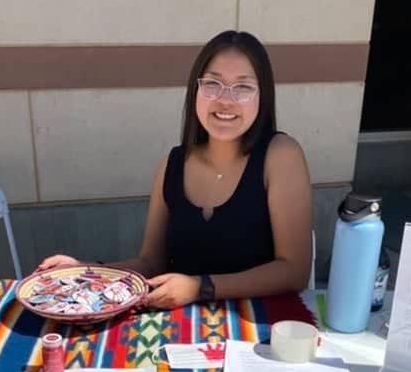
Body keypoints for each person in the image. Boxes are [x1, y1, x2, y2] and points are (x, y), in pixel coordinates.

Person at [37, 30, 313, 309]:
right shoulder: (172, 164)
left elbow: (294, 271)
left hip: (257, 334)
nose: (225, 100)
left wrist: (200, 287)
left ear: (262, 97)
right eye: (213, 84)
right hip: (177, 332)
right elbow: (151, 263)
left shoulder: (280, 155)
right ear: (196, 90)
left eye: (243, 87)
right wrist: (87, 272)